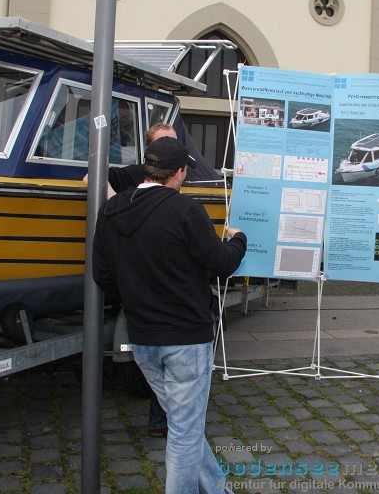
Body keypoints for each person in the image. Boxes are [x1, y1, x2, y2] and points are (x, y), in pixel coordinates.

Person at [92, 136, 246, 494]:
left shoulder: (112, 210)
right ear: (178, 173)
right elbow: (221, 264)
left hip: (143, 338)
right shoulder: (185, 210)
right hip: (186, 340)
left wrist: (137, 295)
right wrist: (238, 239)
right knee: (185, 433)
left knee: (182, 425)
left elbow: (102, 275)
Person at [83, 122, 177, 437]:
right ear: (149, 149)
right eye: (164, 141)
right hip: (144, 274)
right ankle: (165, 419)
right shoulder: (134, 175)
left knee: (163, 351)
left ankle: (162, 420)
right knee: (159, 351)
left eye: (174, 141)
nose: (171, 146)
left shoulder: (177, 176)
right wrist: (118, 207)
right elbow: (91, 177)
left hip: (163, 273)